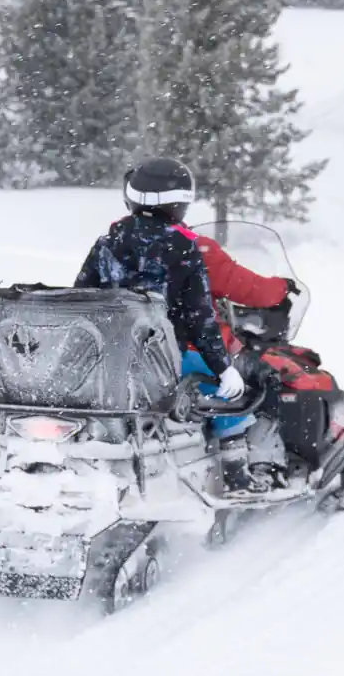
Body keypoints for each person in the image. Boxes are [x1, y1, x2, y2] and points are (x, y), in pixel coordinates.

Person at [74, 156, 288, 494]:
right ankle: (235, 472)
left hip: (113, 361)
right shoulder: (183, 247)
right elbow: (199, 316)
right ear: (179, 205)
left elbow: (81, 300)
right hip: (167, 360)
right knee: (230, 392)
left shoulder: (108, 243)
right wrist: (223, 369)